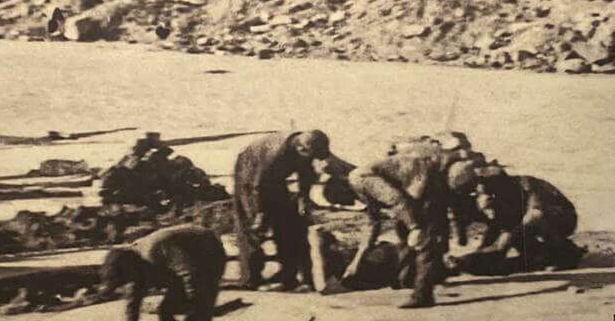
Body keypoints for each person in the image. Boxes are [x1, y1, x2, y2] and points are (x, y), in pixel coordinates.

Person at [232, 129, 349, 291]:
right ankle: (251, 279)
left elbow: (306, 175)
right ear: (302, 150)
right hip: (250, 177)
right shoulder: (273, 155)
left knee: (288, 222)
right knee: (252, 229)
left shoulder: (304, 147)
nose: (314, 160)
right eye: (312, 156)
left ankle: (288, 276)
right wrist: (258, 214)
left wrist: (304, 200)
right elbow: (256, 187)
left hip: (275, 180)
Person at [100, 225, 227, 321]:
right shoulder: (135, 264)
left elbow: (190, 272)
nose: (127, 285)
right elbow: (133, 298)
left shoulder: (154, 250)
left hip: (207, 255)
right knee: (167, 310)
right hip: (179, 267)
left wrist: (194, 301)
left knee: (195, 316)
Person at [346, 153, 456, 308]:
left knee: (423, 238)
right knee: (404, 230)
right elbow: (373, 224)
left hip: (425, 180)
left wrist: (414, 227)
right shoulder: (362, 188)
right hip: (419, 183)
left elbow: (396, 199)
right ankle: (425, 274)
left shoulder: (361, 179)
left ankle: (422, 295)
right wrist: (356, 262)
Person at [453, 168, 582, 273]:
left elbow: (536, 214)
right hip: (529, 223)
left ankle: (563, 254)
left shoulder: (527, 186)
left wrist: (509, 237)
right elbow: (497, 235)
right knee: (496, 259)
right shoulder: (501, 195)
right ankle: (542, 255)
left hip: (560, 220)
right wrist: (476, 256)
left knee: (536, 223)